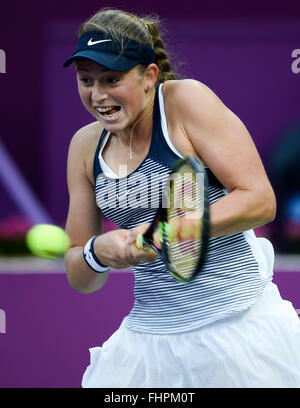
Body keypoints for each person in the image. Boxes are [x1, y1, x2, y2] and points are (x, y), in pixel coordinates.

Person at [63, 8, 300, 388]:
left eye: (111, 79)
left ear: (149, 76)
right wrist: (99, 252)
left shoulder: (187, 101)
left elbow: (259, 200)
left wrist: (168, 229)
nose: (97, 95)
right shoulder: (83, 147)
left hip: (236, 328)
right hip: (147, 342)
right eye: (85, 80)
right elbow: (79, 272)